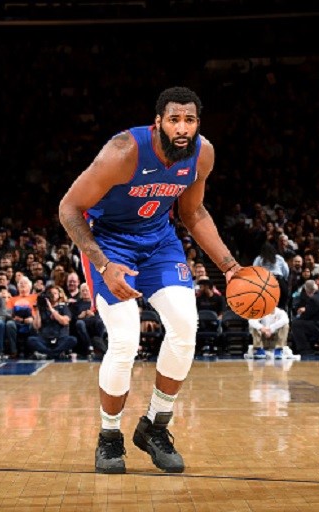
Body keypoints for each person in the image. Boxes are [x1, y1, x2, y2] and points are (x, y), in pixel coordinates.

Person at [59, 87, 241, 474]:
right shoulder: (124, 151)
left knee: (185, 327)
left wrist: (229, 266)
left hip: (159, 242)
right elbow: (69, 208)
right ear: (157, 122)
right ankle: (109, 438)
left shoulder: (201, 154)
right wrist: (104, 263)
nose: (182, 127)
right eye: (174, 119)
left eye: (189, 120)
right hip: (109, 245)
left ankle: (155, 427)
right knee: (125, 339)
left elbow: (193, 214)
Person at [27, 284, 77, 359]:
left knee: (72, 340)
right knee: (31, 340)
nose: (53, 295)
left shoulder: (63, 307)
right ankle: (56, 354)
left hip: (60, 338)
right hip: (45, 339)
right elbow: (37, 326)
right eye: (50, 293)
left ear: (59, 295)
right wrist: (38, 309)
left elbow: (65, 321)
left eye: (55, 293)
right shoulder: (42, 309)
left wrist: (51, 309)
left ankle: (47, 355)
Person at [290, 280, 319, 356]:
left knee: (296, 324)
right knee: (304, 324)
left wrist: (301, 313)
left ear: (306, 290)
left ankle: (305, 350)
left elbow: (306, 316)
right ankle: (309, 346)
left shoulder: (313, 299)